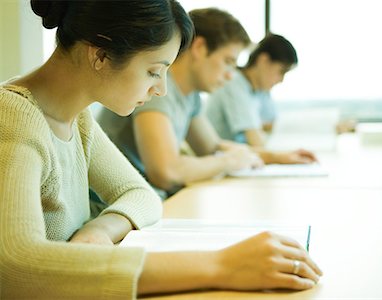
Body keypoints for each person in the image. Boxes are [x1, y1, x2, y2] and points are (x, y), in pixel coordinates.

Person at [0, 1, 322, 299]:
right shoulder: (13, 116)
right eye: (154, 71)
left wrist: (99, 230)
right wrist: (220, 265)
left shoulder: (77, 116)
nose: (161, 88)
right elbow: (15, 266)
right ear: (100, 55)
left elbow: (142, 195)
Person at [97, 9, 316, 198]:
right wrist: (228, 161)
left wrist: (277, 158)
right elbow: (166, 172)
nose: (231, 75)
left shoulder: (190, 96)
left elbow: (212, 147)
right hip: (116, 208)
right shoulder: (157, 88)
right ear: (200, 47)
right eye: (228, 61)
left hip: (146, 201)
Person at [206, 34, 310, 148]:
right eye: (281, 71)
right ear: (263, 60)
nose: (281, 80)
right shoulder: (233, 83)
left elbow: (270, 126)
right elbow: (257, 142)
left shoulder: (261, 91)